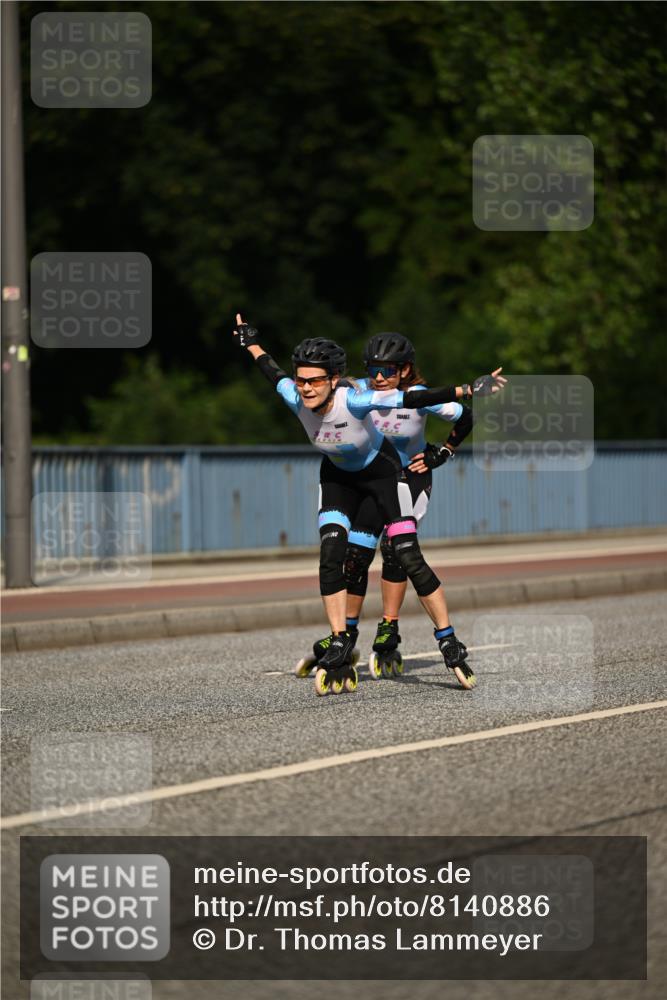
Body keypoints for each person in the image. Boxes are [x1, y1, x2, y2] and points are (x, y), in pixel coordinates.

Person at [233, 314, 503, 695]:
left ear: (332, 380)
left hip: (390, 474)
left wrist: (463, 399)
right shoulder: (296, 394)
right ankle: (342, 636)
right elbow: (270, 369)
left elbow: (415, 398)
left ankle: (443, 639)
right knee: (341, 552)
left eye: (314, 381)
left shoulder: (356, 398)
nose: (306, 389)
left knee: (403, 553)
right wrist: (250, 342)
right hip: (341, 478)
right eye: (302, 380)